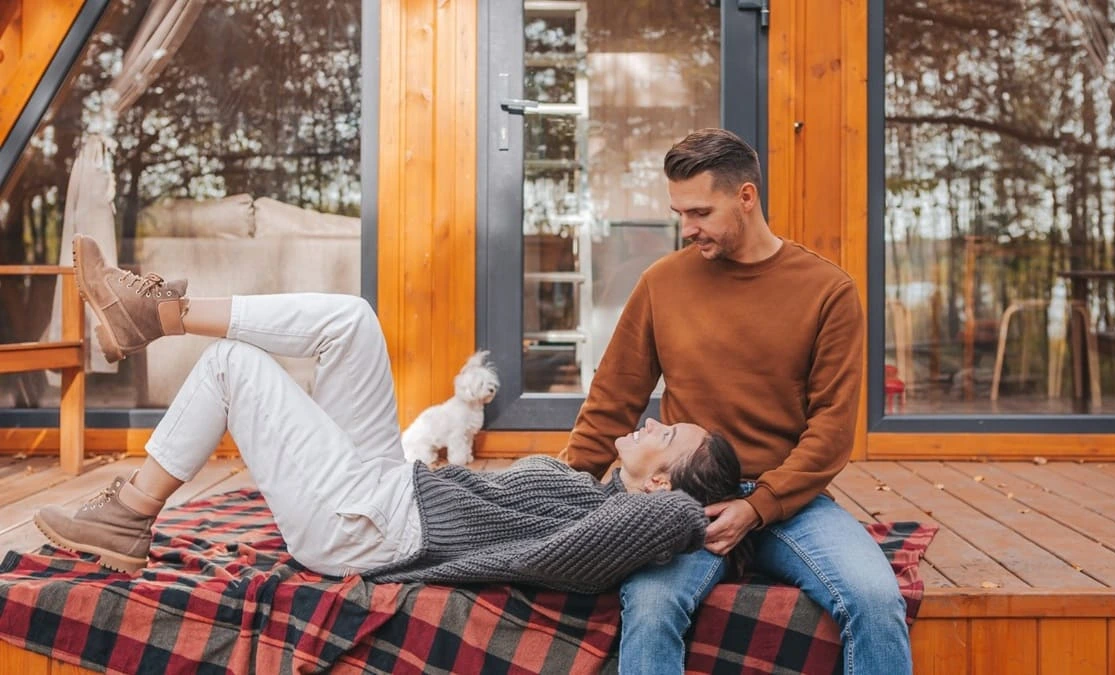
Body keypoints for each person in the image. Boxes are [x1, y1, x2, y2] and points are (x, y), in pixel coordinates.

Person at [34, 235, 743, 593]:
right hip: (388, 489)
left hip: (369, 527)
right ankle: (158, 313)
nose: (653, 420)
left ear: (661, 486)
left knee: (233, 367)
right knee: (352, 319)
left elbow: (670, 519)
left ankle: (128, 513)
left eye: (667, 433)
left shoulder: (635, 523)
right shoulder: (594, 498)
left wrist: (714, 511)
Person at [560, 129, 911, 673]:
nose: (686, 228)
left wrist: (758, 506)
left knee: (875, 599)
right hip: (682, 502)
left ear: (746, 197)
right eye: (679, 212)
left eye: (699, 211)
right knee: (650, 610)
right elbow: (612, 399)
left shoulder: (827, 290)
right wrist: (559, 488)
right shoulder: (662, 283)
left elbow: (833, 429)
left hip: (787, 502)